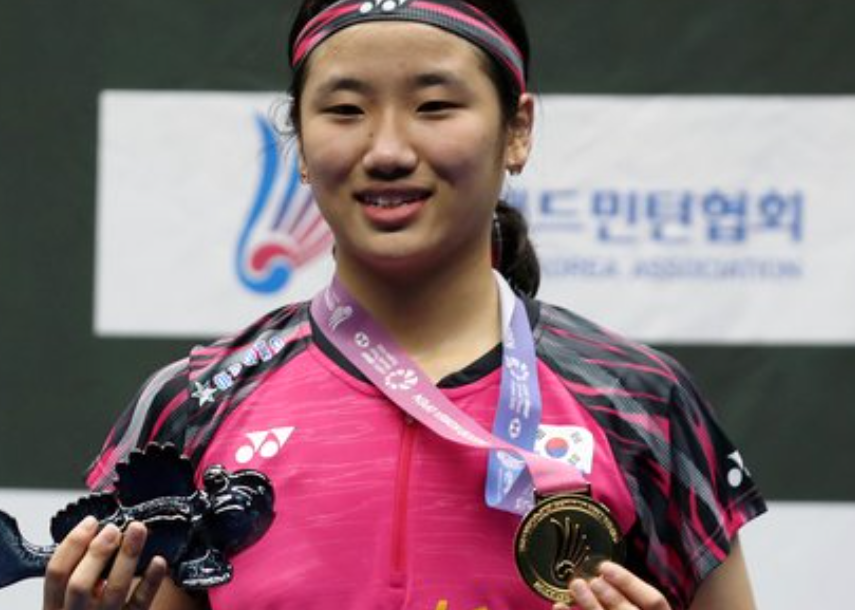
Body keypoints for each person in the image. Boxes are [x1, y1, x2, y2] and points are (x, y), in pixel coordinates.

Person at [42, 1, 766, 609]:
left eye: (434, 106)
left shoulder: (639, 402)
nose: (387, 149)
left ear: (518, 130)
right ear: (300, 139)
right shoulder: (193, 406)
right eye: (345, 109)